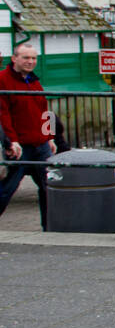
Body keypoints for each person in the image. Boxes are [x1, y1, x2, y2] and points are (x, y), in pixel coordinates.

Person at [0, 43, 58, 229]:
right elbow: (3, 113)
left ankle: (50, 228)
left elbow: (44, 110)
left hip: (40, 145)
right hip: (20, 146)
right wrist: (11, 141)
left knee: (50, 188)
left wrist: (49, 136)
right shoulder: (3, 80)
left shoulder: (34, 81)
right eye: (26, 58)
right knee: (6, 189)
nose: (30, 62)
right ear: (14, 58)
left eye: (33, 58)